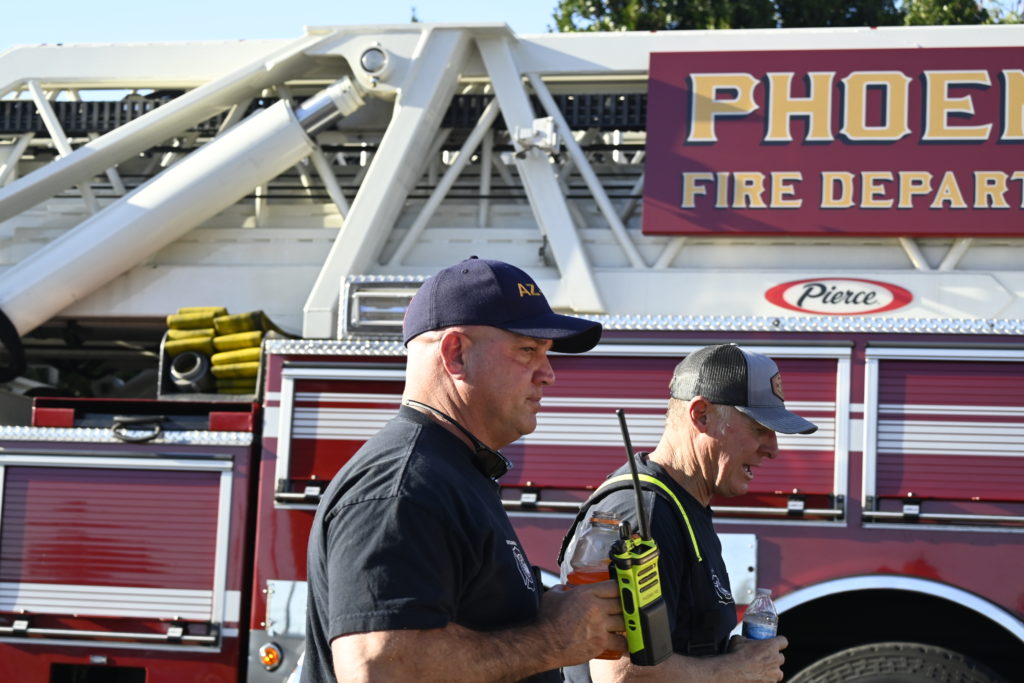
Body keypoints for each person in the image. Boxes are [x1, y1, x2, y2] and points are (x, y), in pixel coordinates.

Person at [301, 256, 626, 682]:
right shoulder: (404, 485)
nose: (548, 375)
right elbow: (376, 668)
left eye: (547, 354)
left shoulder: (454, 473)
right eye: (528, 350)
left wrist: (548, 611)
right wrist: (554, 638)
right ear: (456, 353)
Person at [559, 343, 817, 682]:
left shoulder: (682, 505)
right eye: (759, 428)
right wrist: (738, 670)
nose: (773, 449)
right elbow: (618, 674)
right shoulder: (643, 515)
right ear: (701, 415)